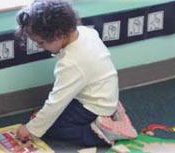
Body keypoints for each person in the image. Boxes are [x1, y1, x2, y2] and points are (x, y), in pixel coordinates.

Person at [16, 0, 137, 147]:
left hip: (94, 105)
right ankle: (110, 114)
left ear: (59, 35)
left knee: (51, 128)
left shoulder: (71, 63)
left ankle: (99, 133)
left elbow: (57, 101)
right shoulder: (85, 32)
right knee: (47, 116)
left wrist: (31, 129)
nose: (39, 46)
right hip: (103, 95)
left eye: (41, 42)